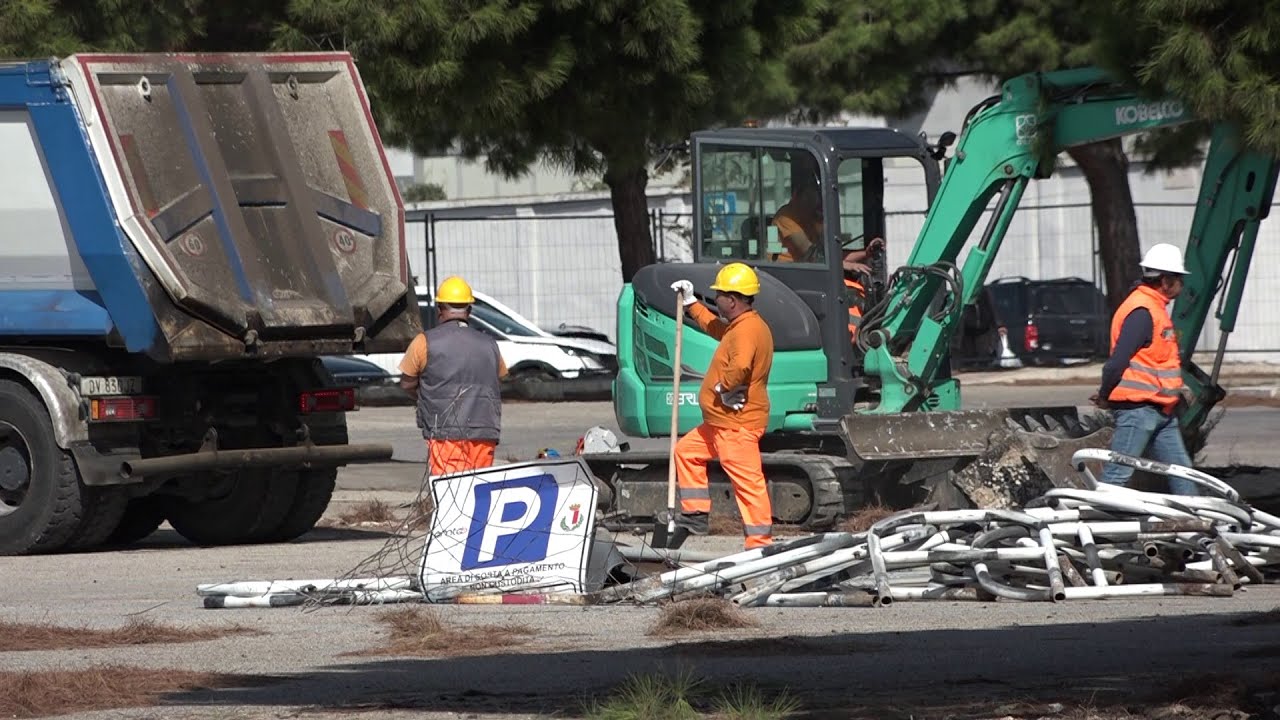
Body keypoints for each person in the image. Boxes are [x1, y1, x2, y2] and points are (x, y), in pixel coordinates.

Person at [667, 263, 776, 550]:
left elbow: (740, 366)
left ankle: (759, 544)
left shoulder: (747, 331)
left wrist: (724, 387)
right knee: (686, 452)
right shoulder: (741, 326)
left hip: (735, 427)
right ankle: (696, 515)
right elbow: (715, 328)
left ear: (733, 299)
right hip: (719, 424)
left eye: (719, 295)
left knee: (748, 485)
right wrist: (691, 303)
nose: (716, 299)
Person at [1091, 243, 1198, 495]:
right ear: (1166, 281)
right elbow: (1116, 363)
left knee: (1182, 473)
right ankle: (1093, 527)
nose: (1182, 285)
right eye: (1179, 279)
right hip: (1137, 411)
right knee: (1117, 475)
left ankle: (1198, 523)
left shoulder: (1154, 309)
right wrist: (1106, 395)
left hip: (1161, 410)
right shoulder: (1142, 311)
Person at [398, 276, 508, 476]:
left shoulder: (424, 342)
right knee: (479, 490)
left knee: (450, 490)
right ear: (470, 310)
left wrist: (426, 398)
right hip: (484, 429)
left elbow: (406, 384)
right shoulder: (490, 344)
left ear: (439, 309)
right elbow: (499, 378)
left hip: (445, 432)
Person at [842, 236, 885, 341]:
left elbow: (833, 256)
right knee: (853, 295)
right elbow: (813, 260)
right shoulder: (797, 228)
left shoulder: (820, 234)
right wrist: (845, 265)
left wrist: (867, 254)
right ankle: (855, 341)